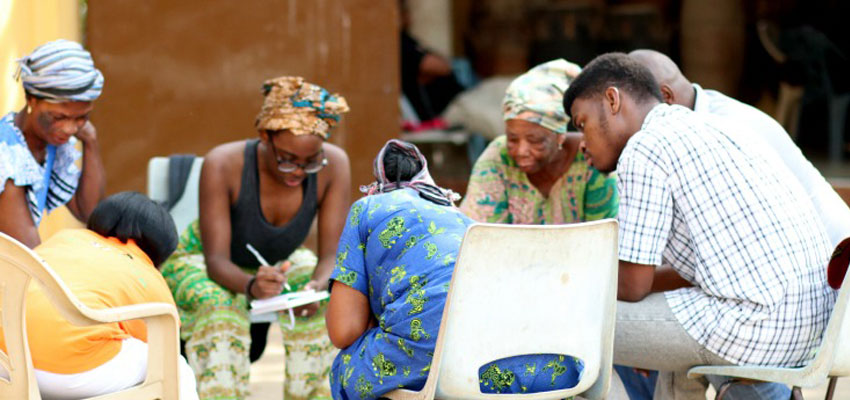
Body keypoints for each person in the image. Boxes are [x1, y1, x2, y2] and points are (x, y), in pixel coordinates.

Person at [563, 53, 836, 400]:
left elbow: (632, 286)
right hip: (815, 328)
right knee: (676, 326)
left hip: (755, 327)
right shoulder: (720, 126)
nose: (582, 141)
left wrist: (571, 280)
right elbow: (684, 274)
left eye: (581, 122)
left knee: (569, 324)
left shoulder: (645, 147)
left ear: (612, 100)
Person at [326, 139, 584, 399]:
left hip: (431, 353)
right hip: (520, 353)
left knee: (345, 370)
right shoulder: (461, 218)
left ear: (377, 186)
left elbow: (343, 330)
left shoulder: (367, 208)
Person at [161, 76, 351, 399]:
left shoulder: (335, 165)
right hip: (202, 260)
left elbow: (331, 256)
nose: (298, 172)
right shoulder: (223, 163)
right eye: (287, 159)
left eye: (310, 163)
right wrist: (251, 287)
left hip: (278, 263)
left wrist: (316, 288)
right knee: (219, 308)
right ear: (265, 137)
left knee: (325, 306)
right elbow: (216, 261)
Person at [629, 48, 850, 248]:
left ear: (666, 97)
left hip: (830, 265)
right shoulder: (705, 114)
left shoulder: (721, 131)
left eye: (635, 112)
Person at [0, 192, 197, 400]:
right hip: (70, 377)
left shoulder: (64, 237)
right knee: (174, 364)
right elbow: (164, 340)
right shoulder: (148, 276)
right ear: (161, 248)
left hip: (7, 360)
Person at [459, 59, 618, 225]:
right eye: (512, 139)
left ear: (560, 135)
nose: (521, 150)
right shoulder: (497, 158)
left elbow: (602, 236)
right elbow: (483, 233)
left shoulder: (592, 158)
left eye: (535, 141)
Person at [0, 39, 106, 248]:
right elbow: (29, 257)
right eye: (59, 117)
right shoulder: (7, 157)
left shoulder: (51, 145)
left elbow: (88, 211)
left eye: (81, 118)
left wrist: (90, 141)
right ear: (31, 100)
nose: (70, 129)